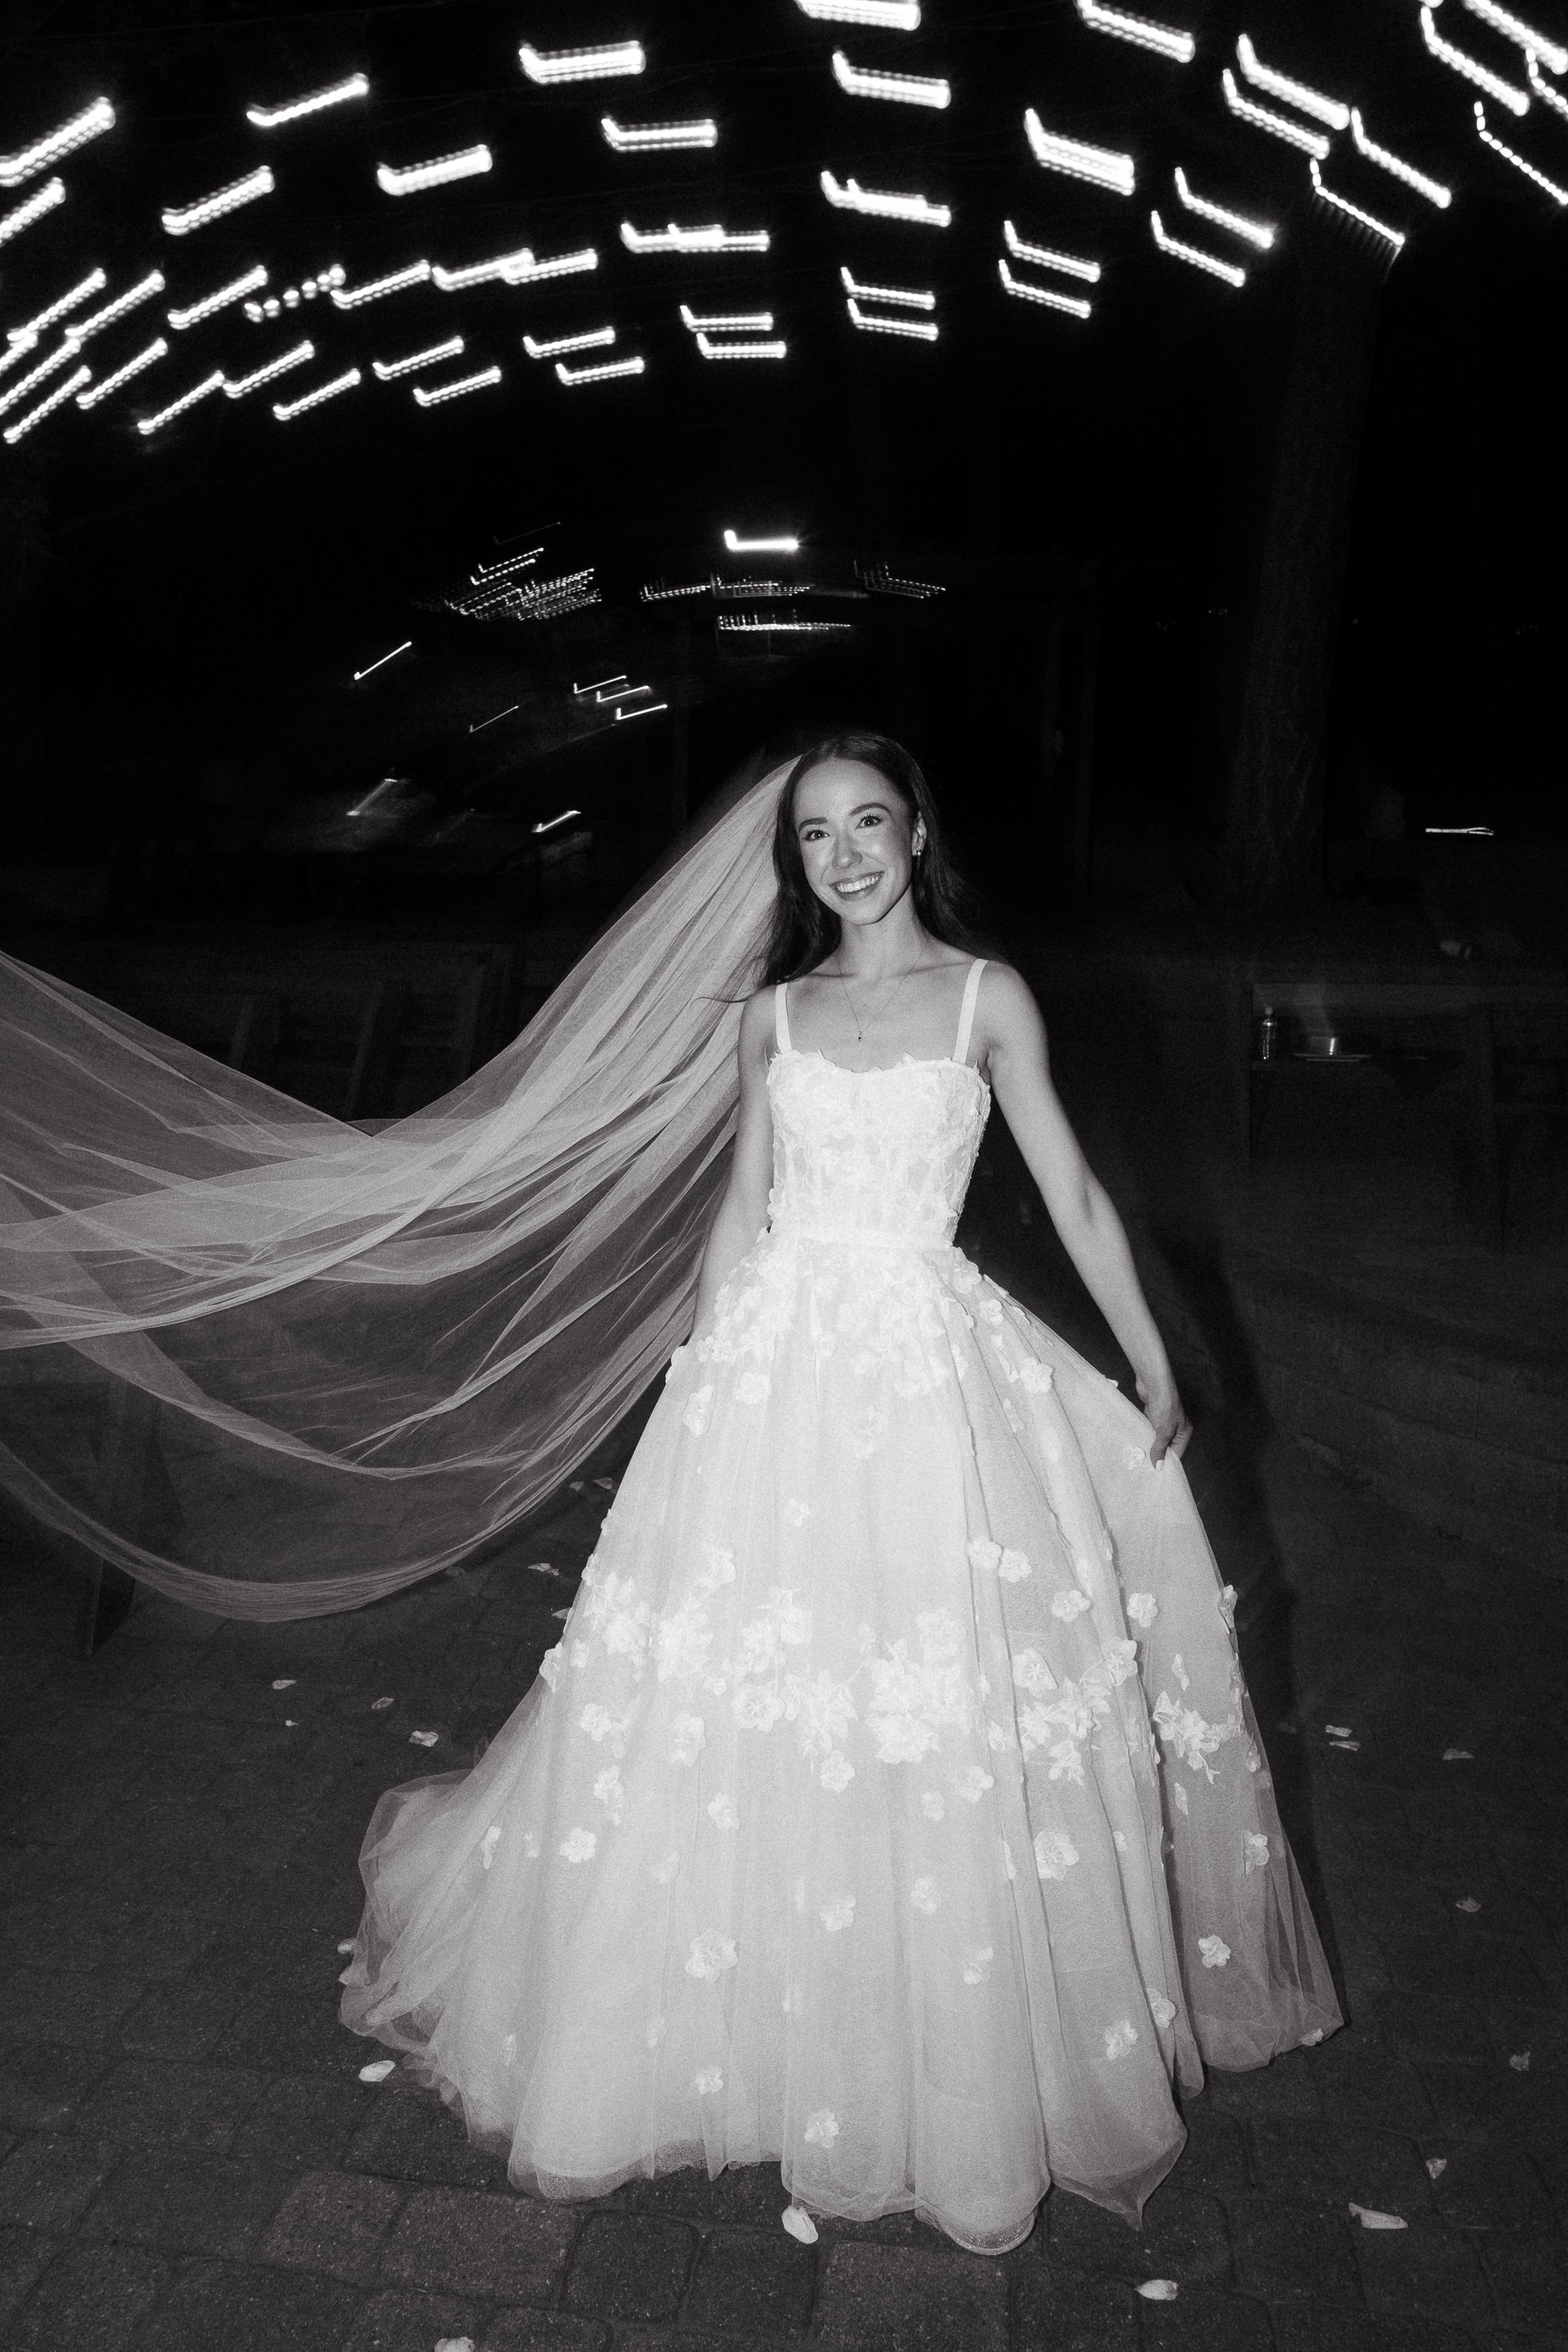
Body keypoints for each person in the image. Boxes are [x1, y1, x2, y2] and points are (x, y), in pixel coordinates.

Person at [339, 731, 1341, 2255]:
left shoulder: (984, 996)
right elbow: (743, 1206)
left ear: (915, 831)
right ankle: (730, 2020)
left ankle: (920, 2041)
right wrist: (699, 1384)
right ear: (795, 862)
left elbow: (1069, 1188)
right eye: (817, 835)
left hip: (932, 1381)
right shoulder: (779, 1017)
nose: (847, 853)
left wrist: (1150, 1359)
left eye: (869, 822)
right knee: (749, 1688)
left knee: (926, 1692)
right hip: (775, 1379)